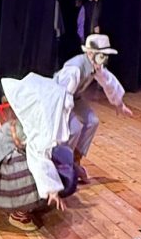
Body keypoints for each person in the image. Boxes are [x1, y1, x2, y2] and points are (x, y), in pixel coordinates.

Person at [0, 74, 78, 233]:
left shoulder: (31, 121)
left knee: (56, 162)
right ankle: (18, 211)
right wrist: (52, 189)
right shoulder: (32, 129)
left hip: (3, 156)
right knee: (38, 171)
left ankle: (24, 203)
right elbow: (37, 158)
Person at [54, 33, 133, 177]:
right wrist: (64, 116)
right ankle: (62, 164)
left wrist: (119, 104)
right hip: (59, 100)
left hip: (74, 98)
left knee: (92, 121)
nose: (104, 60)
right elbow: (61, 93)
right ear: (91, 54)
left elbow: (108, 82)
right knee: (74, 128)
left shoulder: (96, 66)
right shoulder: (75, 68)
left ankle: (75, 160)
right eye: (102, 56)